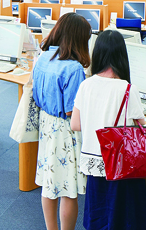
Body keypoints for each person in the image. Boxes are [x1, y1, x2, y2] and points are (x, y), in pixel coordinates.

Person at [71, 30, 146, 230]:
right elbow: (141, 126)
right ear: (122, 56)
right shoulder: (127, 89)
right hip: (119, 163)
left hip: (93, 162)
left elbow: (75, 125)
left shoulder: (85, 85)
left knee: (98, 215)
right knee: (122, 218)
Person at [33, 12, 92, 230]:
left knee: (49, 183)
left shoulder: (42, 58)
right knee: (68, 189)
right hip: (65, 132)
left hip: (46, 125)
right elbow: (71, 111)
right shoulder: (74, 69)